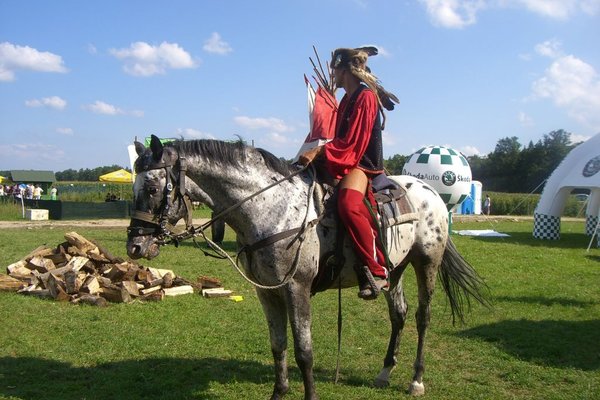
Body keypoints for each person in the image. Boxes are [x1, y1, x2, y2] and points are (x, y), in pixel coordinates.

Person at [299, 46, 398, 300]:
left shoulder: (365, 97)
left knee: (348, 204)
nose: (333, 74)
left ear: (344, 70)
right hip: (345, 158)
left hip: (363, 164)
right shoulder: (346, 99)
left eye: (336, 70)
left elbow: (353, 145)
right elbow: (339, 139)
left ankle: (376, 270)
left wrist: (320, 153)